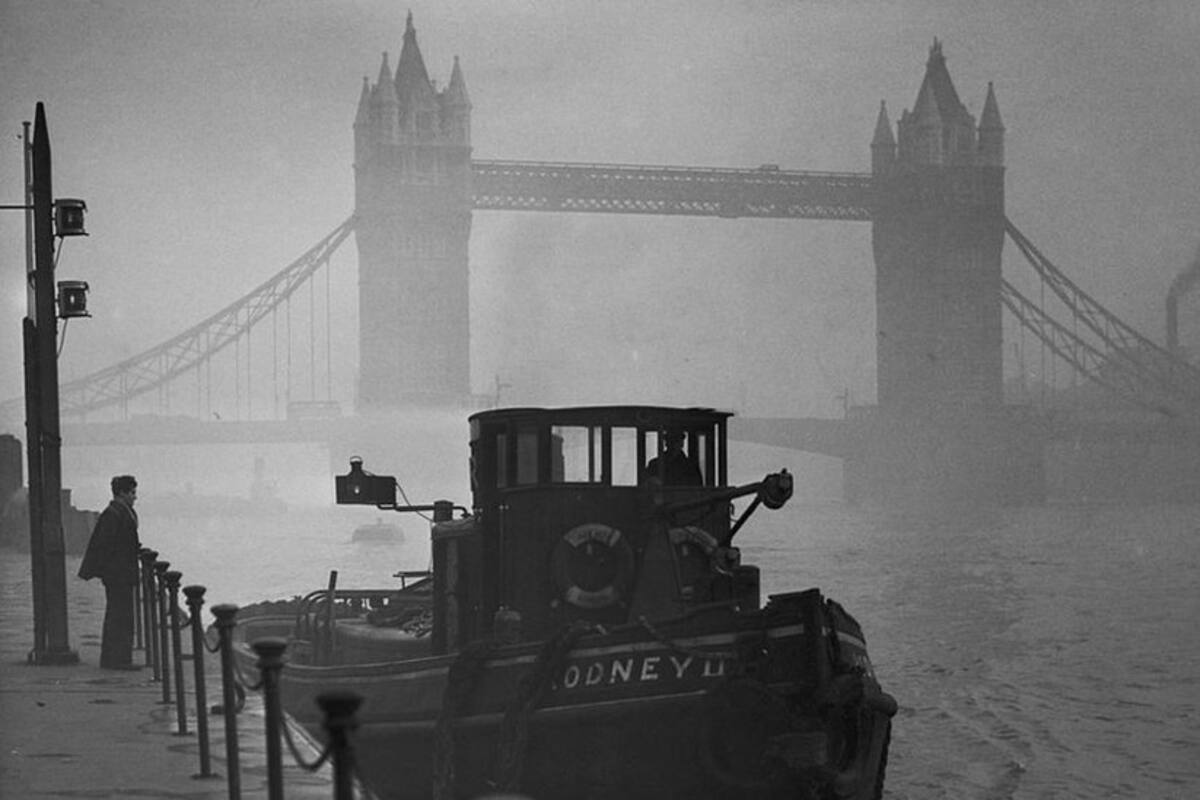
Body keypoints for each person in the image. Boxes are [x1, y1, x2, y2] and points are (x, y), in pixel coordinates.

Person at [78, 475, 141, 670]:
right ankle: (118, 659)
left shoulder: (118, 512)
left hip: (120, 573)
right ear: (122, 493)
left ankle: (117, 657)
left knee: (120, 615)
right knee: (119, 616)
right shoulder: (114, 514)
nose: (135, 497)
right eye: (132, 493)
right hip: (118, 574)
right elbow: (106, 546)